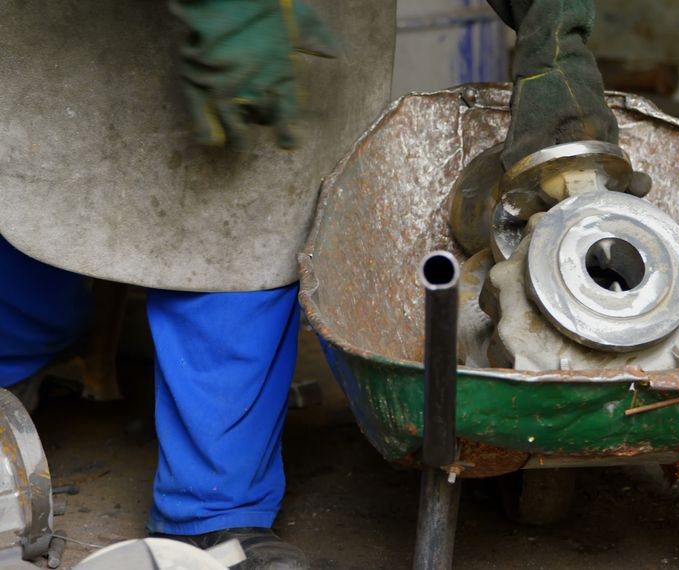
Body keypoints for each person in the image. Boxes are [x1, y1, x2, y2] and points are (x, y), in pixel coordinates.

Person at [0, 0, 617, 568]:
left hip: (295, 30)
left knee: (246, 205)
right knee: (37, 185)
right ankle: (21, 351)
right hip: (81, 29)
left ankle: (213, 510)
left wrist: (556, 38)